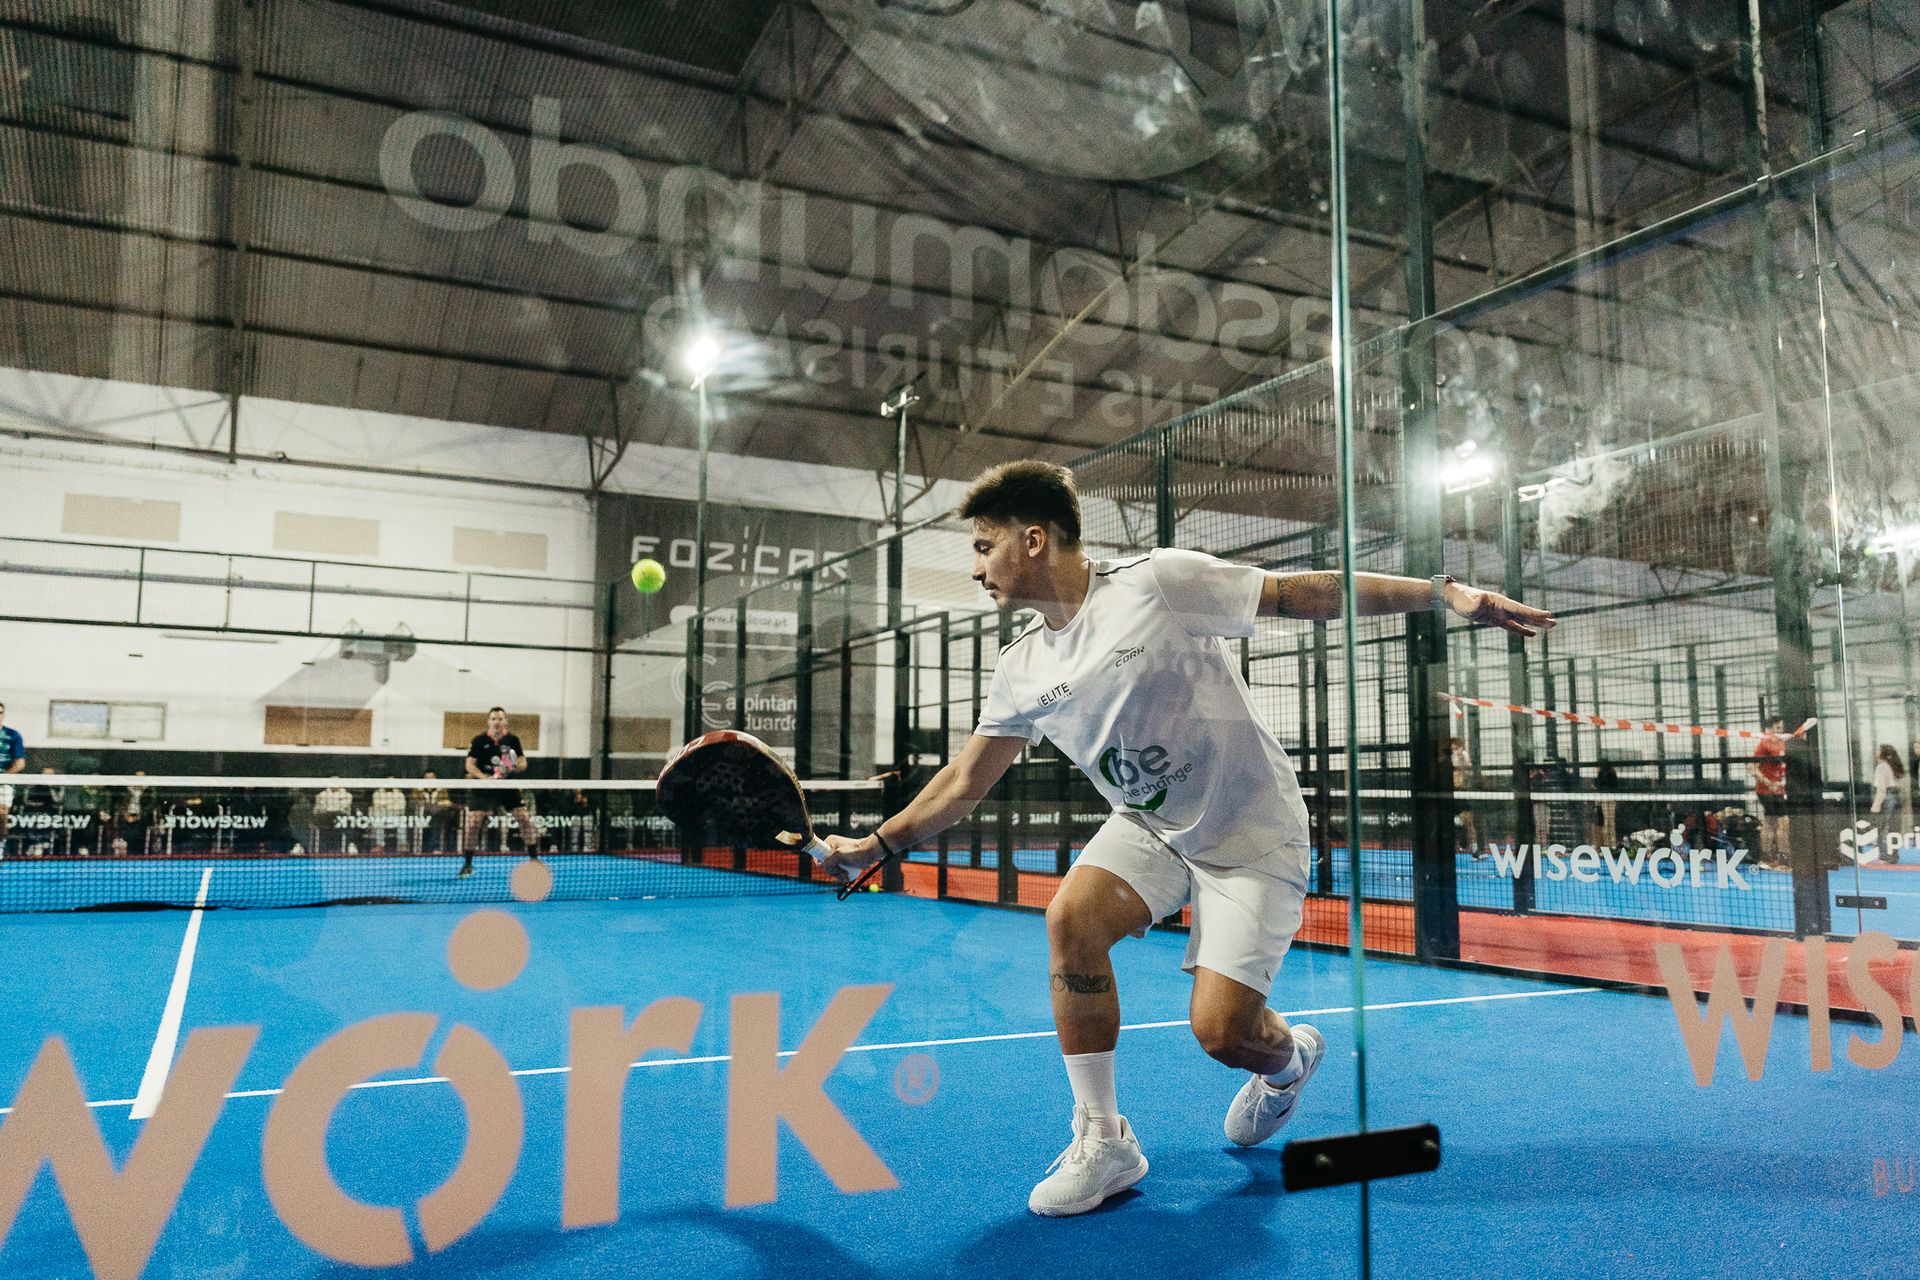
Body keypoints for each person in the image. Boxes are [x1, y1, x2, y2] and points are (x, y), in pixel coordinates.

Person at [818, 461, 1555, 1216]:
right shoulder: (1021, 666)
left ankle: (1289, 1059)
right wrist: (877, 845)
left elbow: (1304, 593)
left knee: (1223, 1034)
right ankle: (1105, 1142)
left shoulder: (1155, 583)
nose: (975, 568)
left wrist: (1440, 594)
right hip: (1151, 828)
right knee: (1070, 920)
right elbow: (963, 782)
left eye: (983, 546)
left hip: (1253, 836)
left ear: (1033, 539)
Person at [459, 707, 538, 876]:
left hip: (506, 785)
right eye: (493, 718)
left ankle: (534, 861)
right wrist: (484, 778)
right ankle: (467, 864)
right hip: (484, 786)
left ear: (505, 721)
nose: (497, 721)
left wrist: (512, 768)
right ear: (489, 721)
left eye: (500, 719)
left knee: (524, 819)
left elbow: (523, 763)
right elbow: (469, 765)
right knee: (473, 823)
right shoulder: (479, 740)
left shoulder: (512, 740)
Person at [1751, 716, 1789, 868]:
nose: (1781, 730)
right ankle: (1782, 860)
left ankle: (1767, 859)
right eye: (1779, 727)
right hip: (1767, 791)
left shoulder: (1782, 742)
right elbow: (1751, 768)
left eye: (1782, 727)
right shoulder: (1764, 743)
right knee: (1783, 822)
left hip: (1779, 790)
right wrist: (1769, 783)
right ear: (1772, 728)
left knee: (1769, 823)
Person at [1450, 735, 1479, 857]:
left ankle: (1475, 850)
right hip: (1448, 794)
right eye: (1453, 749)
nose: (1455, 751)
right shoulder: (1448, 758)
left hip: (1461, 793)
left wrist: (1461, 759)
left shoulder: (1464, 756)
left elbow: (1466, 773)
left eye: (1458, 748)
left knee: (1469, 821)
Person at [0, 702, 23, 854]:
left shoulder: (13, 735)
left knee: (1, 816)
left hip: (3, 784)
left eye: (0, 712)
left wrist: (3, 777)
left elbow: (20, 763)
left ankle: (0, 848)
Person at [1871, 745, 1905, 844]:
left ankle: (1884, 855)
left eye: (1878, 750)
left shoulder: (1881, 767)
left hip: (1887, 797)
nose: (1875, 751)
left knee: (1883, 826)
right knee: (1895, 826)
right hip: (1896, 796)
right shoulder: (1893, 765)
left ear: (1882, 753)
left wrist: (1876, 805)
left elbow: (1881, 788)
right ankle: (1894, 854)